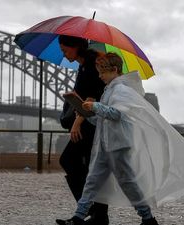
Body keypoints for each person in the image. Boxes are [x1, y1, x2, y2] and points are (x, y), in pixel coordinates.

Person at [60, 52, 184, 225]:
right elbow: (103, 119)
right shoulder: (109, 90)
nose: (100, 76)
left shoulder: (121, 90)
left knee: (128, 184)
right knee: (92, 183)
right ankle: (78, 217)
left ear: (114, 70)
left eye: (102, 72)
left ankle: (148, 218)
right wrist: (87, 114)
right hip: (105, 145)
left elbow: (117, 114)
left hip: (117, 146)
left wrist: (95, 106)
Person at [56, 35, 109, 225]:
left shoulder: (93, 65)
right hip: (88, 123)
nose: (64, 55)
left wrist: (77, 122)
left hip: (92, 124)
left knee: (69, 160)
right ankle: (98, 215)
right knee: (89, 168)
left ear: (77, 46)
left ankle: (92, 211)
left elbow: (93, 97)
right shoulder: (84, 65)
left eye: (65, 50)